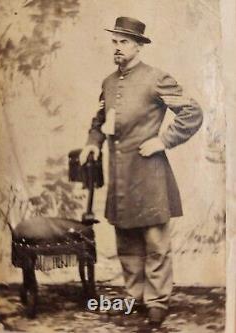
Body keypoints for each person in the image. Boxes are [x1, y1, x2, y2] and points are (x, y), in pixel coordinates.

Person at [80, 16, 203, 327]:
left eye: (124, 42)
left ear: (138, 47)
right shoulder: (108, 82)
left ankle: (158, 301)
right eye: (115, 42)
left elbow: (192, 112)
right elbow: (98, 121)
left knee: (155, 241)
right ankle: (135, 296)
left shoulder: (156, 79)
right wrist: (93, 143)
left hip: (149, 173)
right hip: (120, 175)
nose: (118, 48)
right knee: (126, 240)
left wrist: (163, 140)